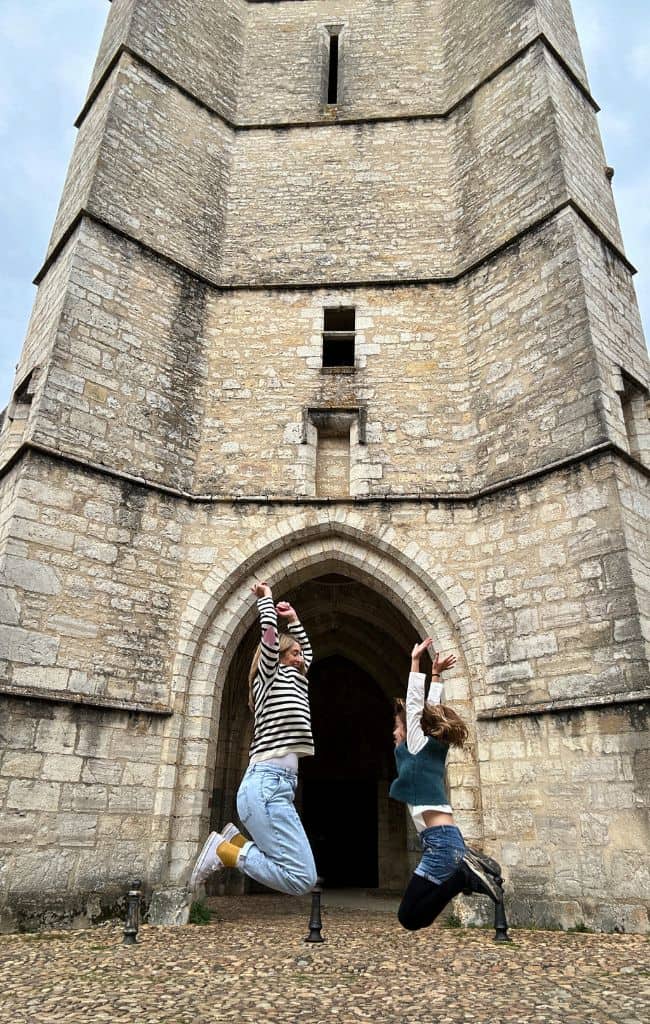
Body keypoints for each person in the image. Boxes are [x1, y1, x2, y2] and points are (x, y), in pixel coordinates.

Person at [190, 581, 318, 895]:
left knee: (303, 874)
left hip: (279, 786)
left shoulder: (298, 679)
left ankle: (235, 843)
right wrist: (267, 603)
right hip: (265, 784)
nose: (302, 658)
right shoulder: (269, 678)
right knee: (301, 878)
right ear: (280, 656)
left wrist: (295, 620)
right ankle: (227, 851)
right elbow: (270, 642)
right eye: (295, 653)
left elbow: (310, 654)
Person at [390, 638, 503, 931]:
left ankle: (464, 876)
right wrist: (436, 675)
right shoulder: (431, 749)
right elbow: (427, 712)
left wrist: (417, 663)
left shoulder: (417, 746)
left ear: (409, 729)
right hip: (444, 840)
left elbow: (416, 707)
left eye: (397, 726)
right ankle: (463, 871)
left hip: (441, 843)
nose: (395, 731)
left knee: (410, 917)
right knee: (415, 917)